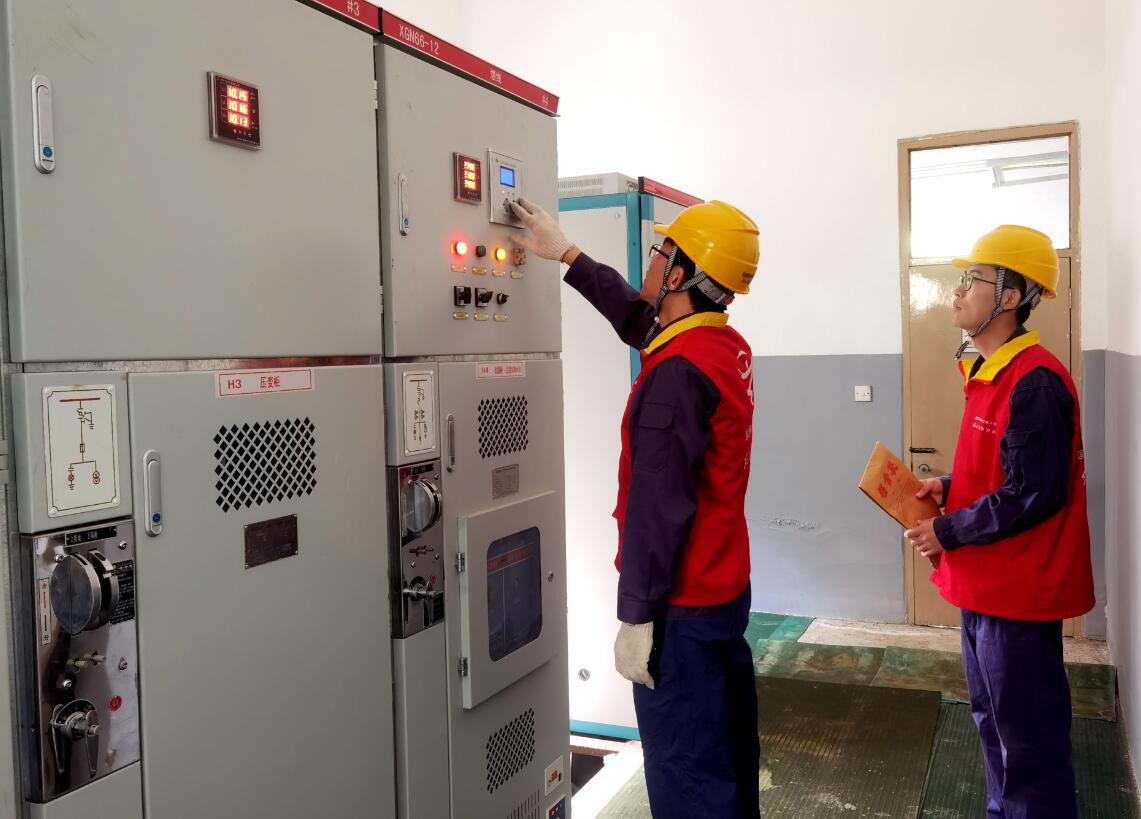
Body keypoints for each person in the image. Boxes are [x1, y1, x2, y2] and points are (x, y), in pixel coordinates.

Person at [511, 196, 761, 818]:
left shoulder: (676, 375)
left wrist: (638, 616)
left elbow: (657, 508)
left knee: (688, 776)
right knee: (725, 757)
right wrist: (567, 254)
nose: (651, 260)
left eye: (660, 251)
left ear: (680, 275)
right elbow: (639, 320)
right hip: (722, 588)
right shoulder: (720, 345)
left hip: (680, 607)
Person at [905, 224, 1094, 819]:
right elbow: (1003, 472)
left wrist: (947, 529)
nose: (958, 291)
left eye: (973, 279)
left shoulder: (1034, 382)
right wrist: (947, 487)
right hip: (989, 586)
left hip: (1017, 595)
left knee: (1025, 739)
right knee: (995, 721)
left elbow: (1033, 493)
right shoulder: (993, 372)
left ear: (1010, 296)